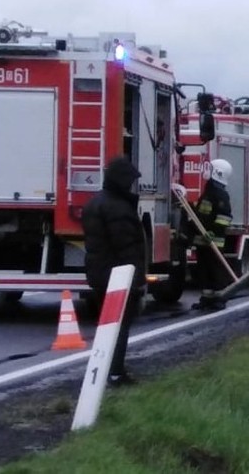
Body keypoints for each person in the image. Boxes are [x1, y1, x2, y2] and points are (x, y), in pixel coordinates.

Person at [81, 156, 146, 387]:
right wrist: (138, 280)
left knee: (107, 326)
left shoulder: (94, 203)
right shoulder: (118, 208)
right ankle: (115, 372)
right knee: (119, 327)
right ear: (121, 181)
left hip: (98, 273)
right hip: (118, 277)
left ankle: (103, 370)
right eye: (129, 181)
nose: (131, 185)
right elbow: (127, 247)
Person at [191, 159, 234, 311]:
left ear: (216, 172)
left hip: (214, 241)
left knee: (216, 271)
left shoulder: (221, 194)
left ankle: (219, 298)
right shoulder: (208, 191)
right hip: (202, 241)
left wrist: (213, 231)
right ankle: (207, 298)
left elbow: (225, 217)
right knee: (203, 271)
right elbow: (201, 214)